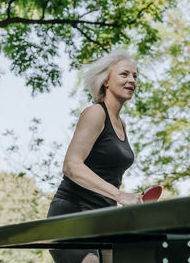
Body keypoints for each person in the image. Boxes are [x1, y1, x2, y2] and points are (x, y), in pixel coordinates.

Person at [46, 50, 142, 263]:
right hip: (72, 213)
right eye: (124, 74)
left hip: (104, 218)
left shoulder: (122, 124)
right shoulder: (95, 113)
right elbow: (71, 165)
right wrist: (120, 195)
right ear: (106, 80)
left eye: (135, 76)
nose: (132, 80)